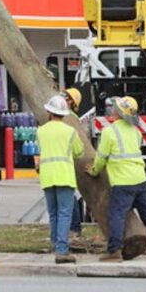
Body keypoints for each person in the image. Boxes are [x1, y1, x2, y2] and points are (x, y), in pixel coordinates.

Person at [87, 96, 146, 262]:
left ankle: (114, 251)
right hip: (139, 179)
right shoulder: (136, 131)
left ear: (117, 112)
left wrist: (94, 171)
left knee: (116, 215)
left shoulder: (109, 132)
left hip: (122, 182)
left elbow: (101, 158)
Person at [35, 95, 83, 264]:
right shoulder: (70, 132)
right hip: (65, 176)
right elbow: (79, 151)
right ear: (65, 113)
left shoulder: (41, 130)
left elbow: (40, 150)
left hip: (47, 176)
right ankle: (62, 251)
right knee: (64, 214)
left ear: (49, 111)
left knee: (53, 214)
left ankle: (56, 244)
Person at [62, 87, 84, 237]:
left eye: (67, 97)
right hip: (64, 163)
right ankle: (73, 228)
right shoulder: (66, 117)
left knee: (70, 196)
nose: (63, 98)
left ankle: (75, 227)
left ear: (72, 103)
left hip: (68, 162)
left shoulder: (71, 119)